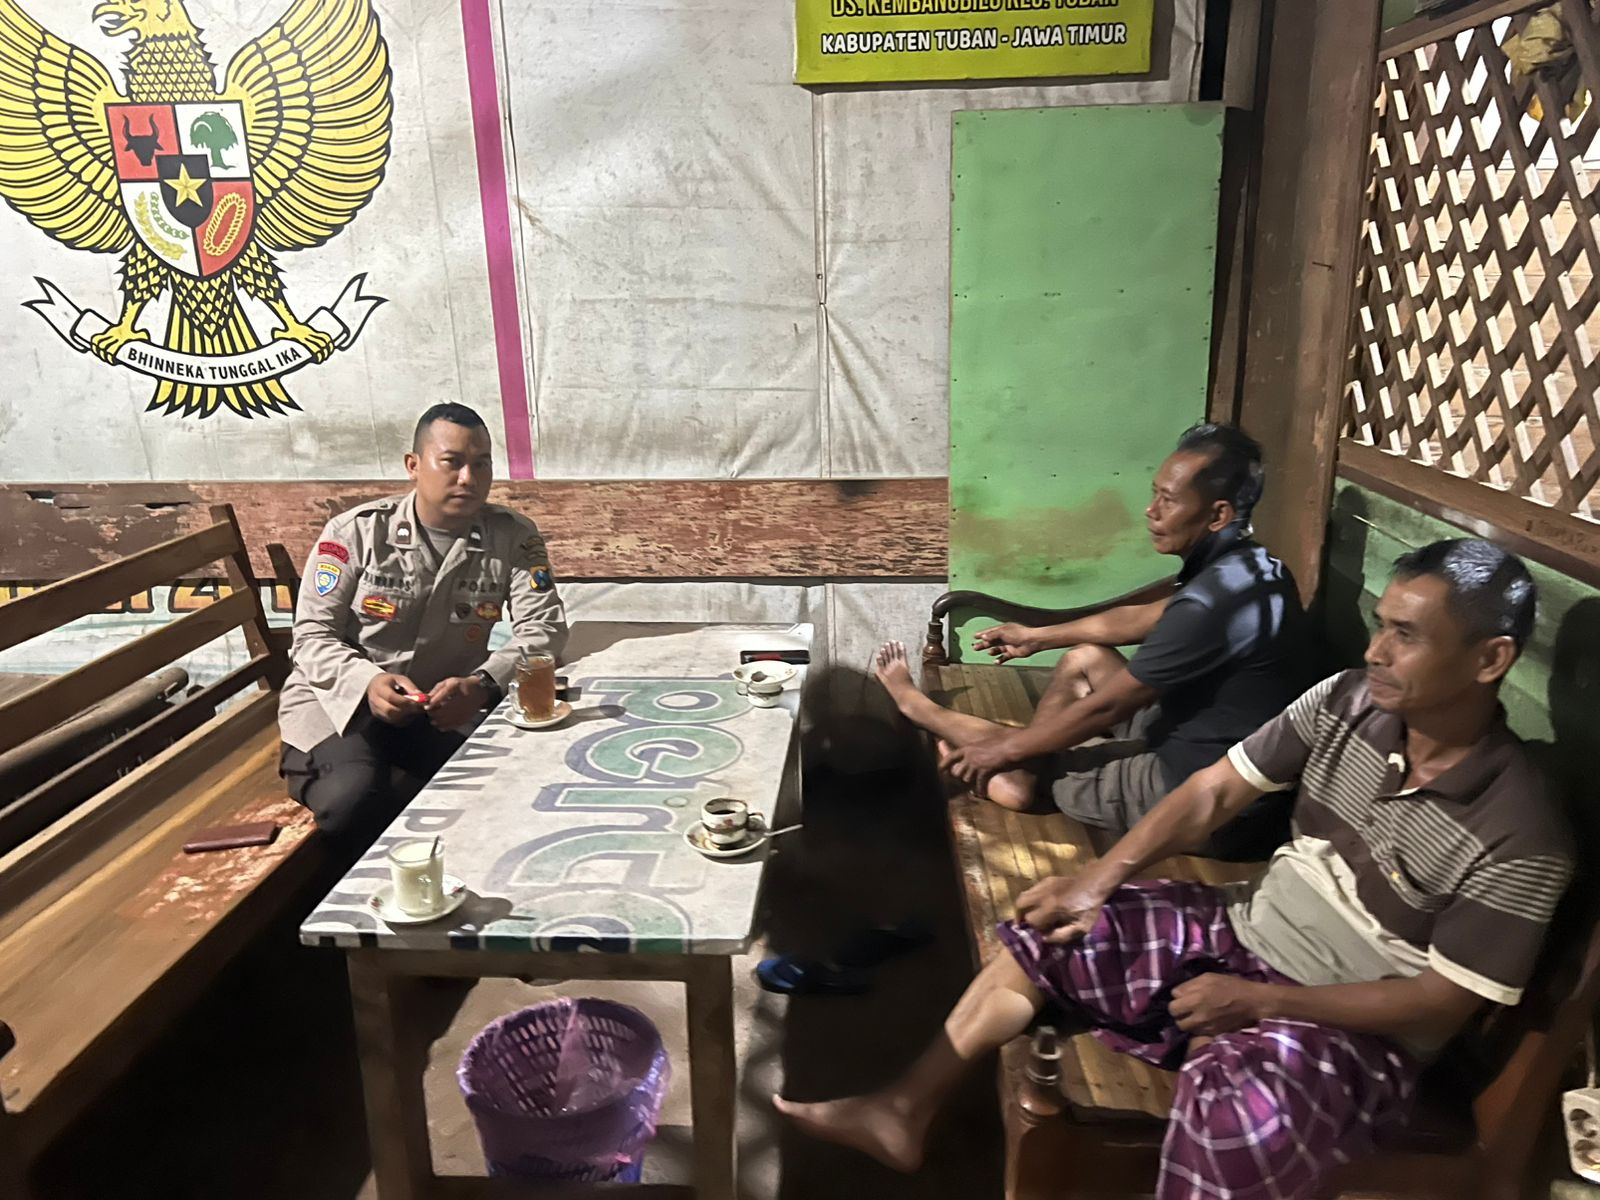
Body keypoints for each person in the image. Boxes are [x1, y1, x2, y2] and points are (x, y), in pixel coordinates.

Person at [781, 539, 1573, 1199]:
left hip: (1349, 1027)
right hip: (1244, 926)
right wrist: (1096, 882)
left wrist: (1264, 1000)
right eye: (1378, 626)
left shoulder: (1522, 830)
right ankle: (901, 1111)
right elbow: (1213, 791)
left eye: (1406, 636)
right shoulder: (1347, 701)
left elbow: (1438, 1004)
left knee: (1237, 1113)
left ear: (1490, 659)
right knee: (1050, 921)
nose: (1376, 651)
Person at [874, 422, 1305, 858]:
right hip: (1203, 742)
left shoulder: (1208, 604)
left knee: (1033, 755)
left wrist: (1004, 750)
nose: (1151, 510)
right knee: (1086, 659)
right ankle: (1027, 767)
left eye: (1168, 500)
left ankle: (935, 720)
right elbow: (1141, 618)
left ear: (1217, 516)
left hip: (1204, 800)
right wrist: (1038, 637)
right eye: (1154, 494)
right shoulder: (1253, 568)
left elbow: (1110, 707)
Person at [278, 402, 567, 848]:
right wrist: (368, 682)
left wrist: (484, 683)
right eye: (452, 462)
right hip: (339, 704)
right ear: (413, 465)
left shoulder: (512, 536)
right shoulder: (356, 534)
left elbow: (543, 628)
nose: (468, 478)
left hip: (440, 708)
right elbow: (312, 636)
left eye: (481, 464)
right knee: (352, 799)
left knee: (505, 789)